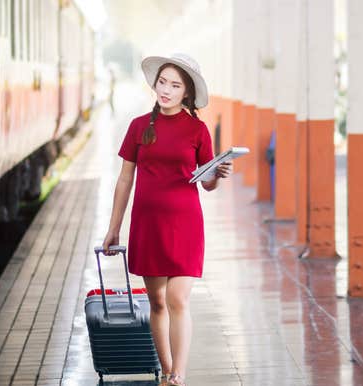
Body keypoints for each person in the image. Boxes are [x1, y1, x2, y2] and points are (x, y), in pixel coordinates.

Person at [101, 53, 231, 386]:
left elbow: (207, 182)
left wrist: (217, 173)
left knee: (177, 299)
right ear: (155, 84)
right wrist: (114, 229)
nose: (167, 90)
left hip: (185, 225)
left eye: (175, 85)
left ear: (186, 93)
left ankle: (179, 375)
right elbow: (124, 180)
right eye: (163, 82)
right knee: (157, 301)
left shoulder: (198, 130)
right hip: (148, 225)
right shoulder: (138, 126)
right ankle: (166, 369)